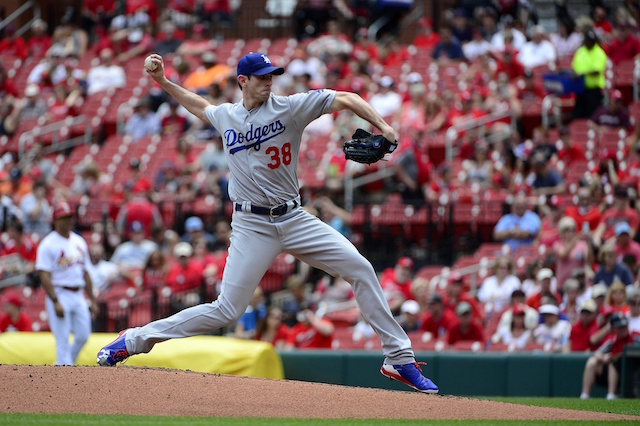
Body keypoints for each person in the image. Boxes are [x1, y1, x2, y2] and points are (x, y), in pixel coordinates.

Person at [97, 52, 439, 393]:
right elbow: (200, 106)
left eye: (271, 75)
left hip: (294, 218)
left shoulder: (290, 106)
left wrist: (384, 125)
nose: (269, 81)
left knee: (361, 269)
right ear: (242, 81)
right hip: (251, 225)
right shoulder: (227, 115)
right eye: (261, 76)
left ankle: (398, 357)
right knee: (226, 310)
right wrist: (163, 82)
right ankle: (134, 339)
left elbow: (346, 97)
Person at [36, 202, 98, 365]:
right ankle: (65, 372)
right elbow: (44, 275)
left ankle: (62, 368)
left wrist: (92, 299)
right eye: (65, 217)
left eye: (70, 216)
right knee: (62, 340)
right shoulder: (48, 244)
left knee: (83, 336)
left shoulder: (79, 241)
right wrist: (55, 301)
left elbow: (86, 273)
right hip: (59, 292)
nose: (69, 220)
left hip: (78, 294)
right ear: (56, 220)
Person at [580, 313, 640, 400]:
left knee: (613, 362)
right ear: (613, 329)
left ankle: (611, 395)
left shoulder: (635, 336)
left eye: (624, 326)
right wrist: (603, 358)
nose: (623, 329)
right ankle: (584, 395)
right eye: (620, 327)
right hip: (616, 373)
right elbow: (597, 353)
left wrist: (617, 356)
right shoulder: (613, 339)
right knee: (592, 362)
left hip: (633, 372)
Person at [571, 30, 607, 119]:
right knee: (579, 116)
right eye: (587, 41)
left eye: (591, 41)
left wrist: (582, 74)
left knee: (593, 116)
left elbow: (596, 71)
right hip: (580, 89)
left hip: (594, 89)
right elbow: (574, 67)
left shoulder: (599, 52)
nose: (589, 43)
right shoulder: (580, 51)